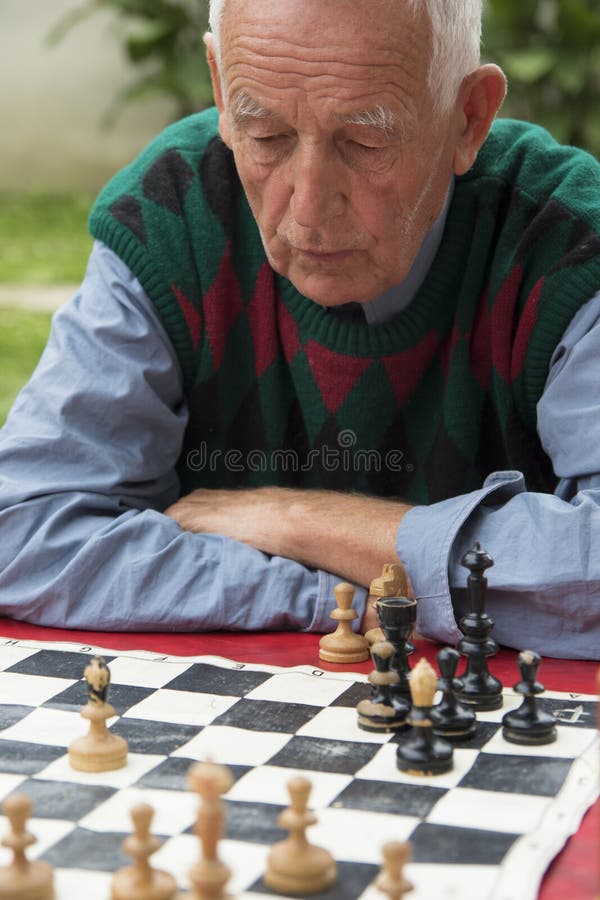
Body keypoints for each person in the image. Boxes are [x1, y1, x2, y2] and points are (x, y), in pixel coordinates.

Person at [0, 0, 599, 659]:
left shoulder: (567, 242)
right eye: (265, 137)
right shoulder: (172, 215)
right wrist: (323, 596)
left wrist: (295, 521)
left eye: (365, 142)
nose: (309, 208)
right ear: (220, 88)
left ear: (469, 117)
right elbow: (23, 530)